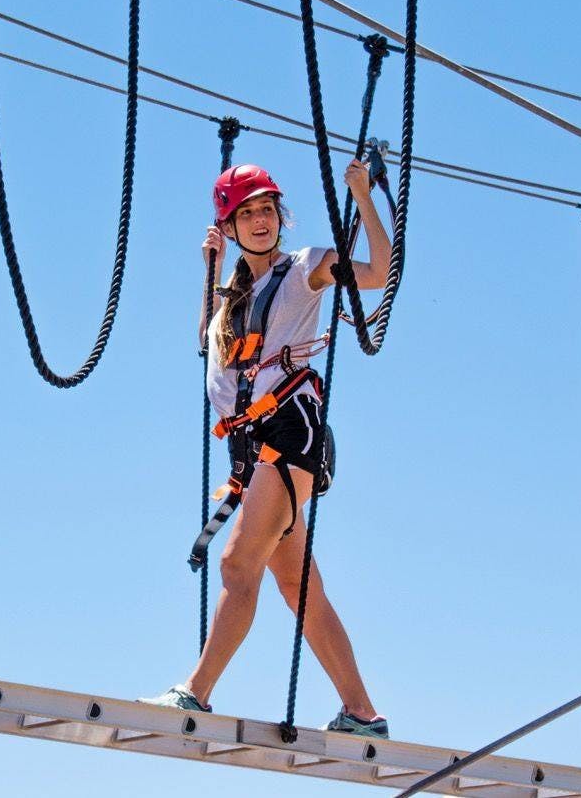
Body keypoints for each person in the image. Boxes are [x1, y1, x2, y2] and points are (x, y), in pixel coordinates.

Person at [140, 161, 391, 738]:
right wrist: (211, 271)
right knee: (297, 586)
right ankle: (362, 712)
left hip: (288, 433)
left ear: (281, 215)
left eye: (266, 209)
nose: (259, 219)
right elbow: (211, 346)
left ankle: (194, 694)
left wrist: (362, 196)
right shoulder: (232, 293)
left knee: (235, 563)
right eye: (245, 213)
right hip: (253, 451)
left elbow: (378, 272)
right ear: (228, 227)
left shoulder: (307, 267)